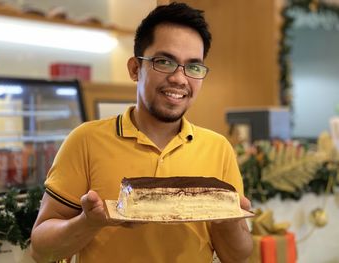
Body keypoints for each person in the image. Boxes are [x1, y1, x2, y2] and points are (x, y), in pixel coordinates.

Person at [30, 2, 253, 263]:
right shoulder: (86, 141)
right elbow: (41, 249)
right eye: (164, 61)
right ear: (135, 69)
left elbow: (236, 257)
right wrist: (88, 222)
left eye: (193, 67)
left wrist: (226, 219)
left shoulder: (218, 148)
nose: (180, 79)